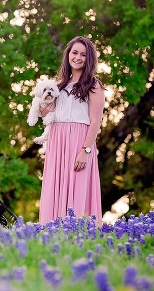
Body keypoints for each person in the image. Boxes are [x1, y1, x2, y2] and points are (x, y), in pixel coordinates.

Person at [37, 36, 104, 225]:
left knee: (78, 188)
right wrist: (41, 96)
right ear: (68, 55)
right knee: (55, 187)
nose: (78, 57)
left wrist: (86, 151)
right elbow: (46, 116)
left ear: (88, 59)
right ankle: (52, 233)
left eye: (83, 55)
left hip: (79, 142)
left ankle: (80, 234)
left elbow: (96, 121)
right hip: (57, 141)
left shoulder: (93, 85)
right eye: (74, 53)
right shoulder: (58, 85)